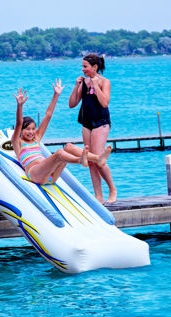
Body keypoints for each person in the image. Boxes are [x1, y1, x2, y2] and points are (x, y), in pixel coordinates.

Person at [11, 79, 111, 185]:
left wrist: (56, 94)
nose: (31, 132)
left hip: (52, 176)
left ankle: (97, 158)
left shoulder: (36, 138)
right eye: (27, 129)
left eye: (33, 128)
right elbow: (19, 122)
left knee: (68, 147)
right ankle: (80, 160)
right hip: (36, 175)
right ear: (21, 131)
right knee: (59, 153)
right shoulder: (18, 142)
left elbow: (48, 115)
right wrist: (20, 105)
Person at [69, 54, 117, 204]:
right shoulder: (83, 82)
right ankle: (98, 196)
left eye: (85, 67)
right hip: (86, 122)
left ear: (94, 67)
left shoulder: (105, 82)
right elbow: (72, 104)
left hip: (101, 122)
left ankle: (112, 190)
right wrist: (76, 86)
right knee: (90, 160)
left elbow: (104, 103)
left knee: (97, 157)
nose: (83, 69)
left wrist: (96, 86)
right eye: (82, 66)